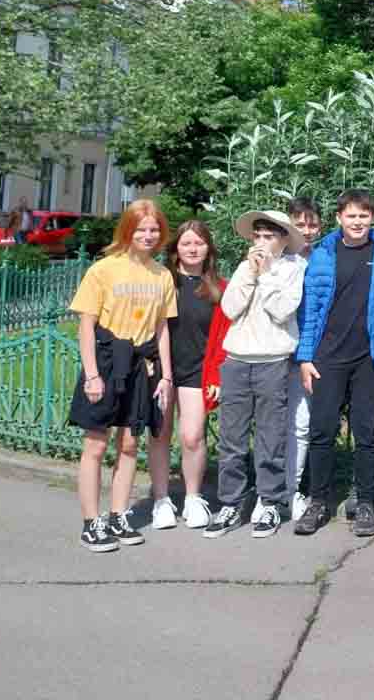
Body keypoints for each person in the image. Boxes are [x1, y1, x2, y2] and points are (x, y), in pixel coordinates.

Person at [293, 190, 374, 537]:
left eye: (364, 215)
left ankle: (366, 503)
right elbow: (310, 310)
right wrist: (305, 357)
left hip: (368, 358)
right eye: (351, 216)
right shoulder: (323, 253)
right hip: (327, 357)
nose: (358, 222)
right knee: (322, 431)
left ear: (372, 218)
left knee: (366, 434)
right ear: (339, 218)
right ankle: (318, 501)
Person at [68, 200, 177, 552]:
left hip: (141, 367)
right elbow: (86, 325)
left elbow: (161, 329)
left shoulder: (162, 275)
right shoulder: (103, 270)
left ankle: (118, 515)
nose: (148, 235)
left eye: (154, 229)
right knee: (96, 444)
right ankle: (91, 523)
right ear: (127, 231)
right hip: (105, 362)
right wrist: (92, 375)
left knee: (129, 444)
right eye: (141, 228)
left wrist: (166, 376)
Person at [205, 211, 308, 538]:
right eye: (258, 236)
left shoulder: (294, 269)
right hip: (237, 360)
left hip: (273, 361)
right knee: (231, 438)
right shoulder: (243, 268)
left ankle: (269, 502)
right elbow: (230, 308)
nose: (261, 242)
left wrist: (265, 275)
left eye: (269, 236)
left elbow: (282, 311)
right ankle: (231, 503)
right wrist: (251, 273)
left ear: (283, 240)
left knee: (270, 437)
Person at [155, 220, 228, 531]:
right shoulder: (162, 282)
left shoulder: (219, 288)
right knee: (159, 433)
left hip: (198, 370)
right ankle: (161, 499)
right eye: (186, 243)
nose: (193, 249)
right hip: (161, 369)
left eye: (199, 243)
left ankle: (193, 498)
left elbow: (225, 336)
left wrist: (219, 375)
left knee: (192, 436)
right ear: (176, 249)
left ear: (208, 248)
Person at [283, 196, 323, 521]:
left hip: (306, 353)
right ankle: (269, 490)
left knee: (301, 423)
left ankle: (291, 489)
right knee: (271, 422)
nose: (306, 230)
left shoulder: (325, 258)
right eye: (300, 224)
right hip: (274, 350)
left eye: (312, 224)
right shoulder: (277, 258)